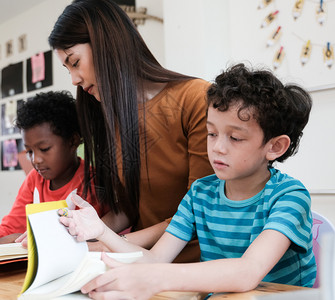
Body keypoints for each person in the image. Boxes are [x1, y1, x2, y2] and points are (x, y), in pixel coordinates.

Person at [58, 63, 317, 299]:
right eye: (211, 133)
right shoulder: (200, 193)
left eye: (235, 138)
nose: (218, 148)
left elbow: (247, 271)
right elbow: (155, 260)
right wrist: (102, 232)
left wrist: (154, 278)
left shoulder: (289, 196)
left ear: (275, 147)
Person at [49, 0, 214, 262]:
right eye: (67, 68)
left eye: (75, 62)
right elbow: (127, 208)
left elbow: (198, 213)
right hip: (134, 263)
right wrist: (72, 233)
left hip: (195, 267)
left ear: (106, 44)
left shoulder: (195, 98)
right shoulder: (111, 114)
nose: (74, 80)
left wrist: (108, 241)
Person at [0, 91, 107, 248]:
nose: (35, 160)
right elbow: (11, 227)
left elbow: (88, 239)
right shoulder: (34, 179)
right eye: (29, 151)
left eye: (44, 149)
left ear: (73, 142)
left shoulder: (91, 182)